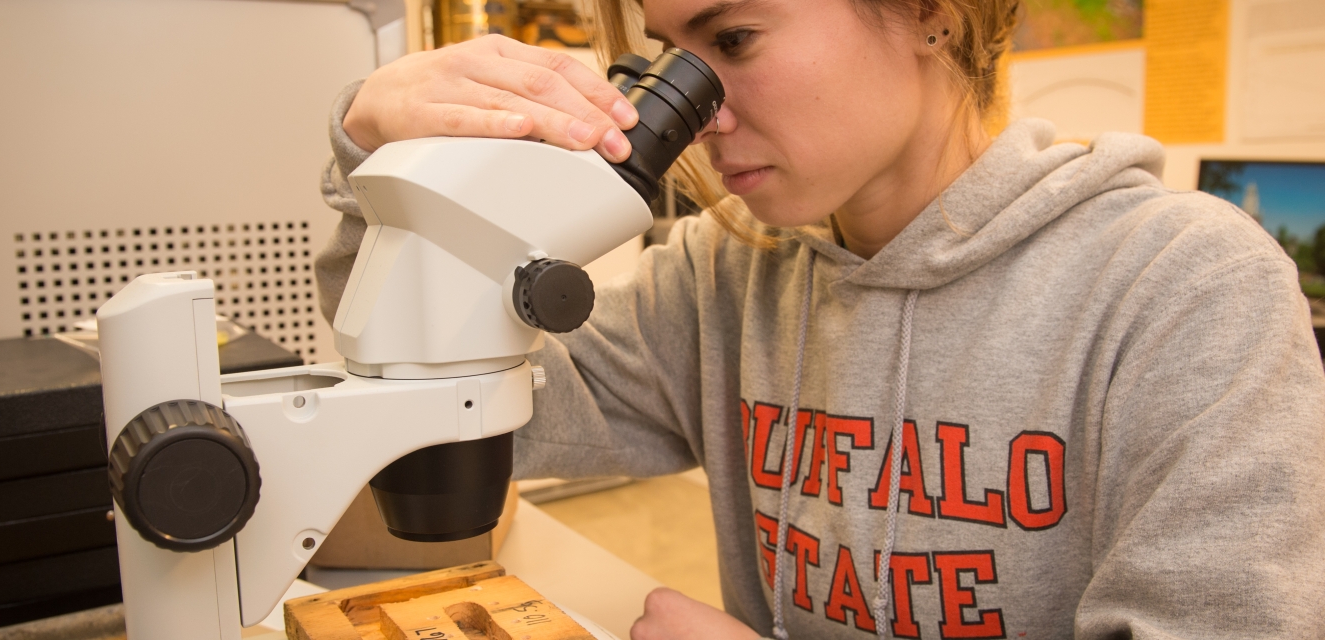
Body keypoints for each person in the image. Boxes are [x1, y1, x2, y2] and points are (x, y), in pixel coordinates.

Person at [314, 0, 1325, 638]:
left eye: (732, 42)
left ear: (933, 15)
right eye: (669, 56)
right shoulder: (722, 275)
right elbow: (460, 407)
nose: (698, 116)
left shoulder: (1186, 287)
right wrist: (390, 172)